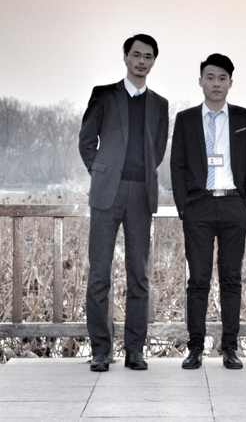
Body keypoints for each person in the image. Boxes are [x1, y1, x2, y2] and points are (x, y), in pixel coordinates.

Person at [78, 34, 169, 372]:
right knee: (99, 274)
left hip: (141, 196)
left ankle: (135, 351)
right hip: (107, 194)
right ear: (126, 57)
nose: (141, 61)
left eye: (148, 56)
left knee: (139, 276)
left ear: (153, 61)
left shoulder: (160, 104)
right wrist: (101, 172)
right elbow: (86, 141)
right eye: (136, 55)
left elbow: (157, 150)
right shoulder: (104, 95)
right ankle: (101, 351)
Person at [170, 53, 246, 370]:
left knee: (231, 279)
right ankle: (195, 348)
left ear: (230, 83)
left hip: (234, 205)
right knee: (198, 280)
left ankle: (230, 348)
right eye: (210, 77)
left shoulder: (243, 118)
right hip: (199, 207)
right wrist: (185, 207)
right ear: (201, 81)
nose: (216, 83)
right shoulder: (186, 119)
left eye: (222, 78)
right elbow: (177, 164)